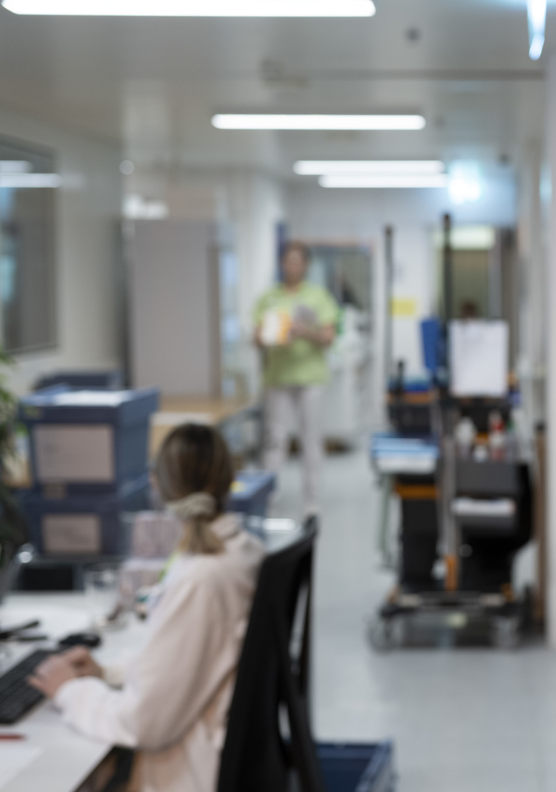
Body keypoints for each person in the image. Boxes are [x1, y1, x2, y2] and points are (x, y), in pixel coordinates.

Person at [28, 424, 265, 792]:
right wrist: (107, 674)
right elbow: (194, 659)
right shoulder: (244, 550)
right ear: (230, 478)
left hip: (187, 771)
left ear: (157, 486)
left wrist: (69, 692)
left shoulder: (200, 577)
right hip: (227, 757)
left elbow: (144, 723)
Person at [253, 240, 340, 511]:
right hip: (278, 377)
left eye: (297, 261)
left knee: (311, 440)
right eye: (288, 260)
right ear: (282, 264)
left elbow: (328, 335)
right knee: (275, 440)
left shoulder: (318, 296)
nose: (292, 266)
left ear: (306, 265)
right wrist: (273, 336)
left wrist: (305, 332)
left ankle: (312, 499)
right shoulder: (269, 298)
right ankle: (268, 496)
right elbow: (256, 336)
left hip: (310, 377)